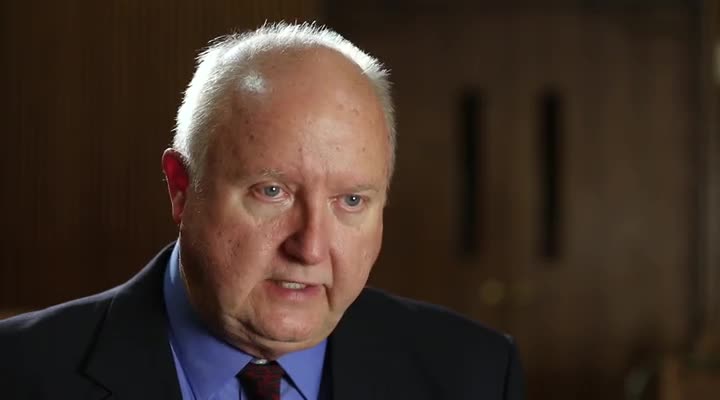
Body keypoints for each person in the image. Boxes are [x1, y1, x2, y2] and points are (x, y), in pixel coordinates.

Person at [0, 22, 525, 399]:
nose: (310, 248)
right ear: (181, 189)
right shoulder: (18, 372)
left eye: (351, 201)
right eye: (272, 192)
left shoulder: (474, 373)